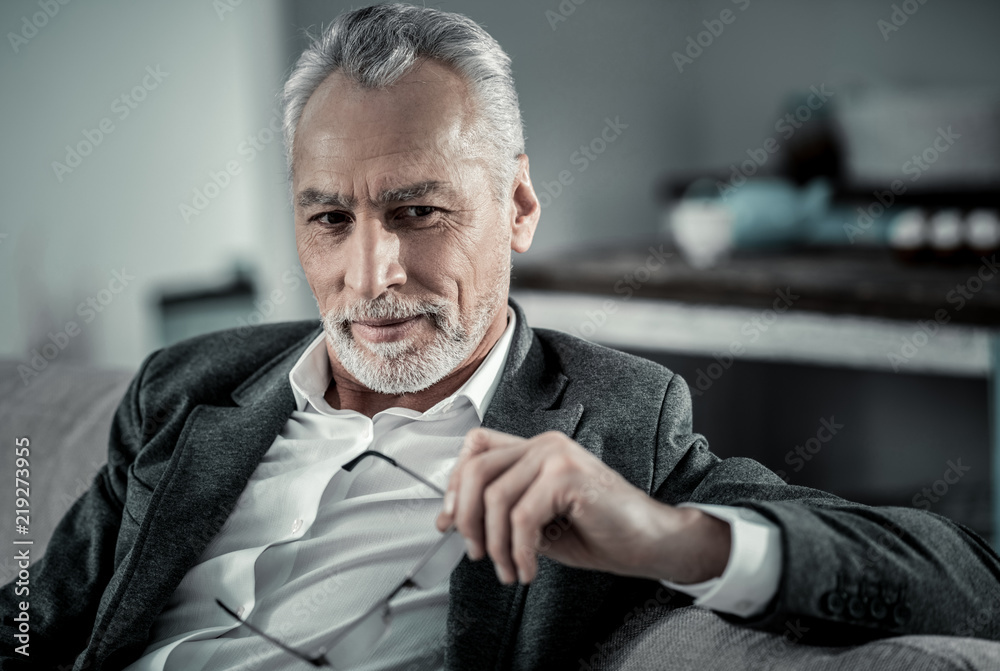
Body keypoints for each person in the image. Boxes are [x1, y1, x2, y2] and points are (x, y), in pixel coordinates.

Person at [3, 4, 999, 670]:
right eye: (330, 218)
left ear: (516, 204)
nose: (372, 274)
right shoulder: (187, 385)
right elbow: (38, 617)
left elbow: (965, 581)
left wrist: (667, 535)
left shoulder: (614, 420)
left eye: (418, 211)